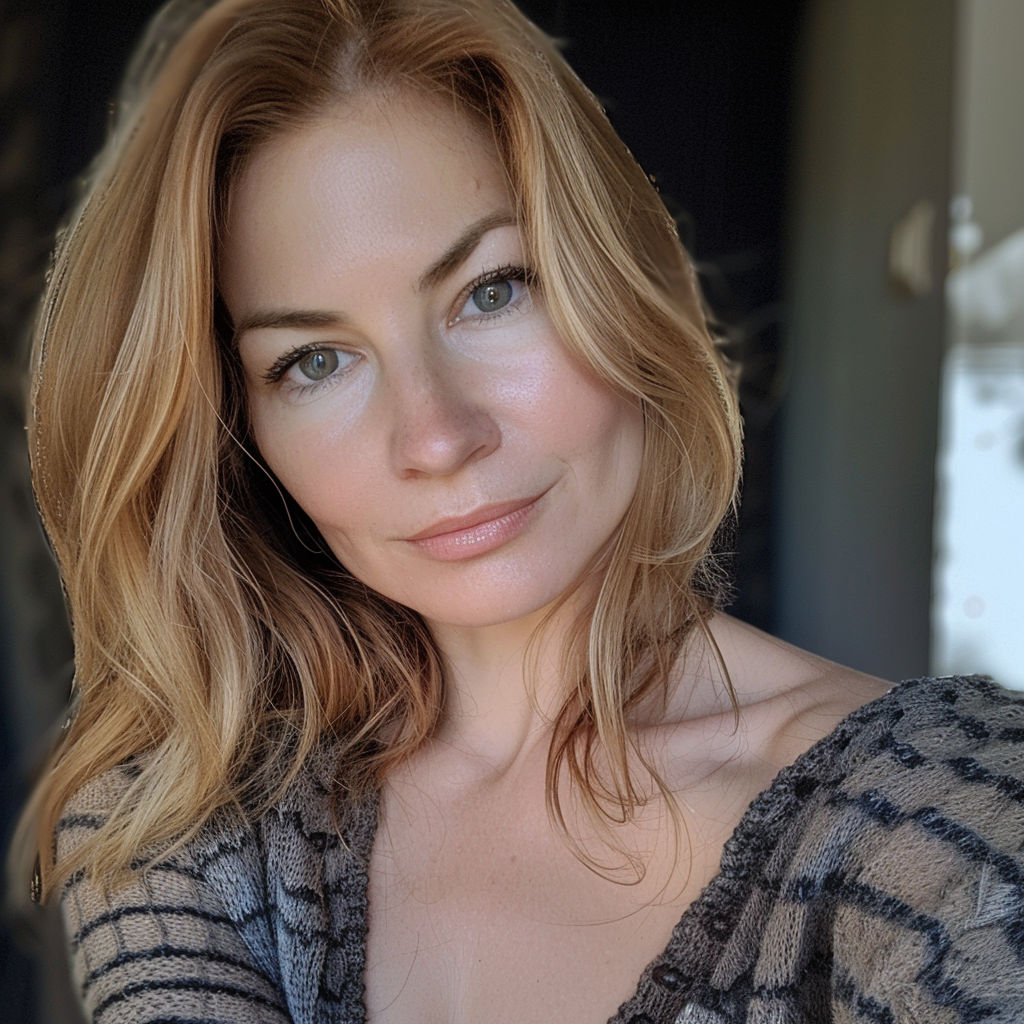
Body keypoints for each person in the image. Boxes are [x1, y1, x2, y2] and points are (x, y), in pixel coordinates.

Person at [15, 0, 1024, 1020]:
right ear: (241, 437)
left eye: (492, 290)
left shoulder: (953, 831)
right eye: (314, 361)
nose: (436, 437)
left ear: (622, 280)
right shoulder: (187, 824)